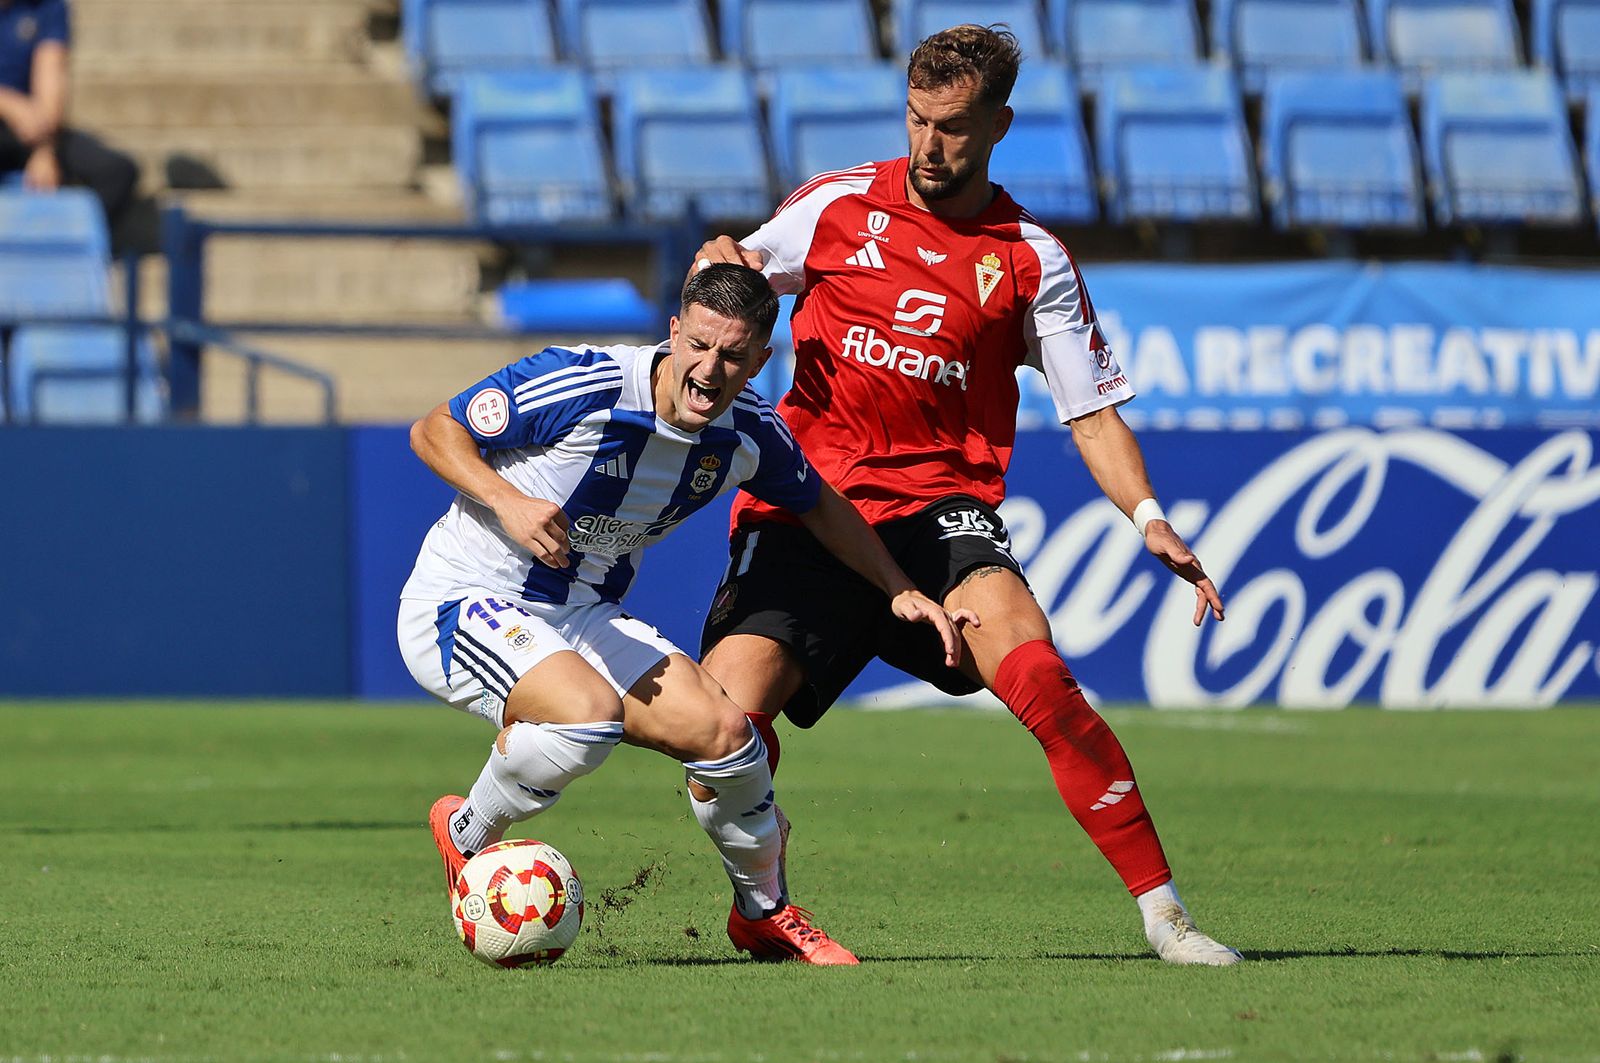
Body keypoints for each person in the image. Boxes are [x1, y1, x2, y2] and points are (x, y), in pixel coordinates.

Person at [692, 24, 1242, 965]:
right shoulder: (834, 207)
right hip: (811, 508)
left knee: (1042, 677)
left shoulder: (1030, 258)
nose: (928, 145)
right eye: (917, 119)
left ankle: (1168, 918)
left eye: (951, 126)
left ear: (998, 125)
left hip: (938, 514)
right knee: (722, 731)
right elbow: (729, 284)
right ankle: (760, 903)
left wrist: (1148, 517)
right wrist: (718, 263)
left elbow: (1093, 416)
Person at [399, 264, 973, 966]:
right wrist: (507, 501)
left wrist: (898, 587)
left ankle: (763, 913)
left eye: (733, 355)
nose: (709, 369)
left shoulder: (748, 430)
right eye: (698, 345)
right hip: (462, 597)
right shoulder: (583, 383)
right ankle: (467, 834)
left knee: (728, 736)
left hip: (581, 612)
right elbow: (433, 430)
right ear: (674, 332)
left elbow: (820, 504)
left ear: (760, 360)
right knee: (585, 717)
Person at [0, 0, 139, 228]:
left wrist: (44, 149)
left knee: (116, 172)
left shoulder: (47, 8)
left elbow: (50, 84)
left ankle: (59, 239)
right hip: (17, 117)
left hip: (32, 130)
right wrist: (10, 104)